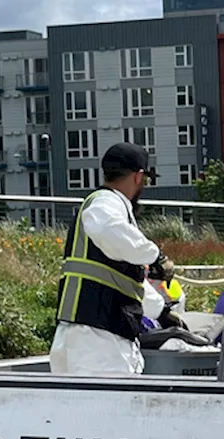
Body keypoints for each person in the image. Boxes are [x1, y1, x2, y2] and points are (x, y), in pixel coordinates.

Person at [49, 142, 169, 376]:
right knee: (105, 411)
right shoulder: (107, 202)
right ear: (138, 177)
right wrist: (156, 257)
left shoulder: (107, 207)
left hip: (84, 339)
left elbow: (118, 279)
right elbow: (108, 228)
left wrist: (161, 311)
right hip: (98, 344)